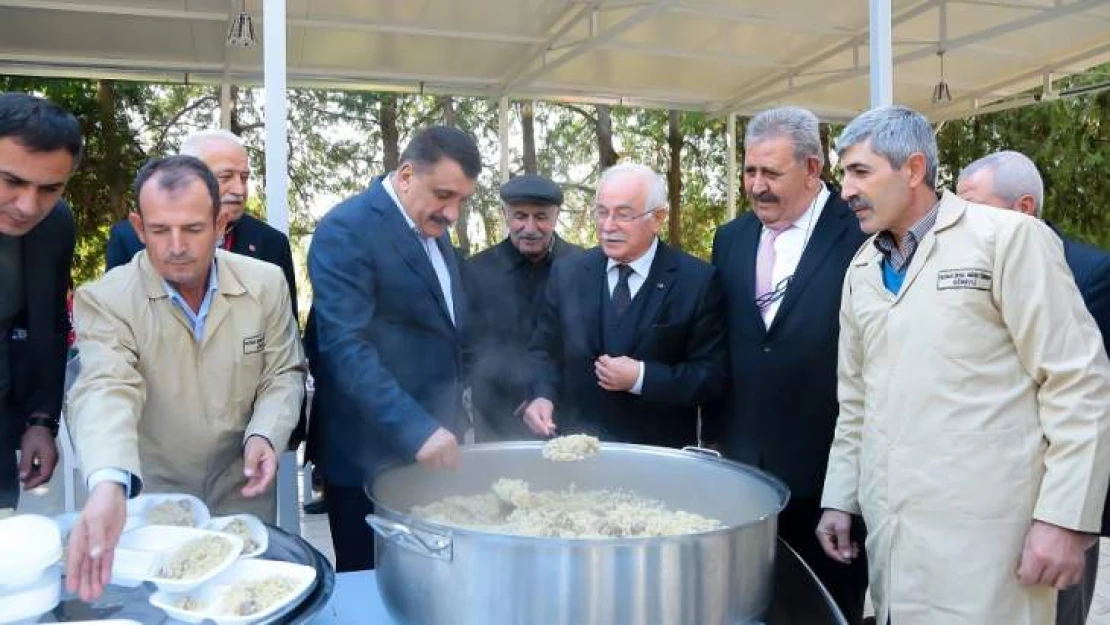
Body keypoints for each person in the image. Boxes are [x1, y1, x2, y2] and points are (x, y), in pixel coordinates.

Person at [817, 106, 1110, 625]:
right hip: (896, 541)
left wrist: (1064, 520)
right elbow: (855, 399)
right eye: (844, 173)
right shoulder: (862, 268)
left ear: (912, 170)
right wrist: (839, 498)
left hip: (990, 546)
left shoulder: (1007, 239)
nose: (845, 189)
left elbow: (1077, 381)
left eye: (860, 171)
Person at [65, 156, 305, 601]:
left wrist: (265, 436)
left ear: (220, 223)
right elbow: (104, 387)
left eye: (193, 229)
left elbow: (282, 373)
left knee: (243, 600)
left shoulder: (266, 283)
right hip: (154, 504)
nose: (176, 246)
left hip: (243, 493)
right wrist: (107, 483)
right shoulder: (106, 299)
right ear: (138, 227)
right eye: (159, 231)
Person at [703, 106, 869, 623]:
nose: (756, 186)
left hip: (829, 482)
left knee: (823, 611)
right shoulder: (729, 240)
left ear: (814, 169)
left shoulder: (863, 236)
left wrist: (844, 493)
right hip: (743, 475)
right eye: (750, 171)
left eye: (771, 173)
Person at [305, 126, 478, 572]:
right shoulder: (347, 230)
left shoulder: (433, 229)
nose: (453, 212)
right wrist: (416, 429)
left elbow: (447, 335)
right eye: (444, 195)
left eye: (462, 200)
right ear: (405, 175)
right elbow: (346, 349)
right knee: (372, 591)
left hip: (433, 455)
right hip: (368, 459)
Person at [957, 150, 1110, 625]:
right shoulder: (966, 274)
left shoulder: (1091, 273)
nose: (962, 225)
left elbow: (1089, 392)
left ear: (1023, 209)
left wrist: (1067, 518)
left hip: (1054, 495)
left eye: (973, 208)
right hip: (982, 494)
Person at [522, 163, 727, 447]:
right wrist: (541, 394)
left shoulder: (697, 281)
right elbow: (543, 351)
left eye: (623, 215)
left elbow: (710, 376)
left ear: (657, 218)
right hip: (577, 453)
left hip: (657, 457)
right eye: (602, 212)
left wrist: (642, 377)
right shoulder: (567, 273)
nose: (608, 226)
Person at [104, 129, 297, 320]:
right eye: (225, 177)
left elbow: (286, 332)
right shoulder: (128, 238)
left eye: (244, 178)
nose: (239, 190)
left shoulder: (272, 243)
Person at [0, 92, 81, 512]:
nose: (28, 206)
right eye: (11, 181)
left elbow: (48, 324)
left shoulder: (55, 224)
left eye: (49, 189)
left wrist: (40, 420)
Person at [465, 174, 582, 441]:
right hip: (499, 416)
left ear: (555, 216)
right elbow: (471, 346)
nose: (530, 228)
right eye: (520, 216)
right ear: (505, 215)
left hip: (567, 415)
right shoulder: (475, 271)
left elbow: (585, 346)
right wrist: (521, 393)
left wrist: (545, 394)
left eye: (541, 217)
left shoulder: (582, 267)